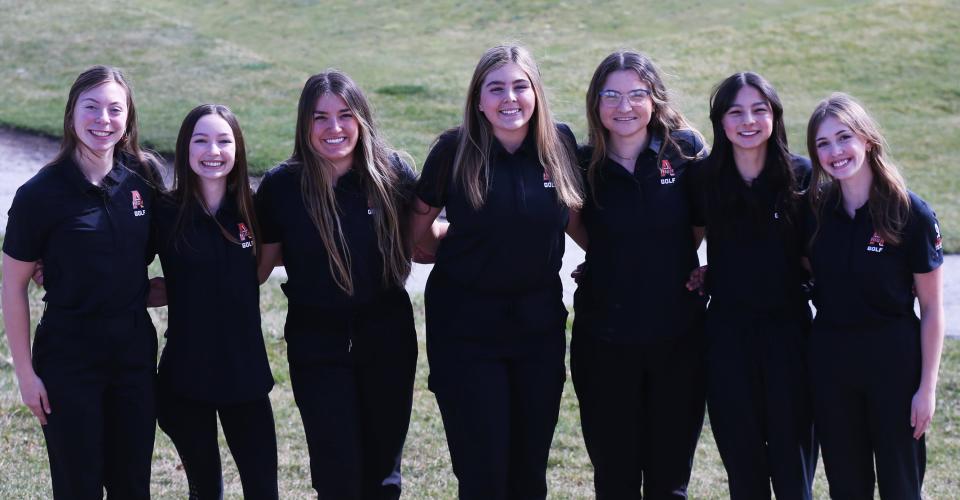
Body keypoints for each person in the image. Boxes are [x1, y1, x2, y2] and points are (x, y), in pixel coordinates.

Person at [409, 44, 583, 500]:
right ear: (479, 99)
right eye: (497, 88)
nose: (510, 98)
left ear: (537, 93)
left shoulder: (558, 144)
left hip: (538, 330)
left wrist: (614, 262)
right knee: (484, 474)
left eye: (521, 86)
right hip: (466, 331)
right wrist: (437, 247)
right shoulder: (453, 150)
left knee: (528, 475)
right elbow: (417, 231)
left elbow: (575, 220)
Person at [255, 70, 418, 499]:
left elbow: (425, 245)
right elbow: (257, 266)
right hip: (317, 341)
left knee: (383, 475)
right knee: (336, 474)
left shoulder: (392, 174)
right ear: (304, 124)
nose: (334, 128)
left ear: (362, 119)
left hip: (387, 335)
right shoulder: (281, 186)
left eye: (345, 115)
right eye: (320, 117)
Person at [2, 65, 162, 499]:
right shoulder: (39, 195)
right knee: (78, 488)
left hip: (133, 357)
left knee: (133, 487)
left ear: (128, 118)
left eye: (115, 109)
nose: (102, 120)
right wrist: (25, 375)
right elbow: (12, 286)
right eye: (91, 108)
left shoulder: (142, 180)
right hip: (68, 361)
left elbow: (154, 262)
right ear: (72, 112)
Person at [570, 50, 707, 499]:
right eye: (611, 95)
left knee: (669, 482)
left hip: (678, 338)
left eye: (636, 94)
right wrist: (615, 255)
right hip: (603, 342)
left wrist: (687, 262)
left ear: (654, 99)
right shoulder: (582, 161)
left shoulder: (685, 151)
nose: (623, 106)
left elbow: (705, 220)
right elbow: (575, 223)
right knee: (615, 479)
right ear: (596, 102)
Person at [804, 93, 944, 499]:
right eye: (823, 144)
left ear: (867, 139)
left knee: (901, 487)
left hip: (894, 365)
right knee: (847, 487)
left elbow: (933, 308)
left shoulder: (909, 212)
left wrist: (927, 389)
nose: (835, 152)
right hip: (831, 363)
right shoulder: (815, 212)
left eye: (843, 137)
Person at [693, 72, 816, 499]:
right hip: (727, 336)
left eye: (759, 110)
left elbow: (816, 257)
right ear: (720, 122)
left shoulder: (801, 175)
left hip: (789, 336)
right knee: (743, 466)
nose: (748, 121)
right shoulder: (704, 178)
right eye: (736, 112)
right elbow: (681, 238)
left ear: (775, 116)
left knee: (791, 464)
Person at [153, 104, 277, 499]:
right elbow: (115, 259)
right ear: (185, 148)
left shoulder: (256, 209)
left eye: (224, 140)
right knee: (205, 491)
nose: (213, 150)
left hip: (245, 374)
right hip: (186, 376)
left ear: (237, 148)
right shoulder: (165, 211)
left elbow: (268, 265)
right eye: (201, 140)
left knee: (263, 489)